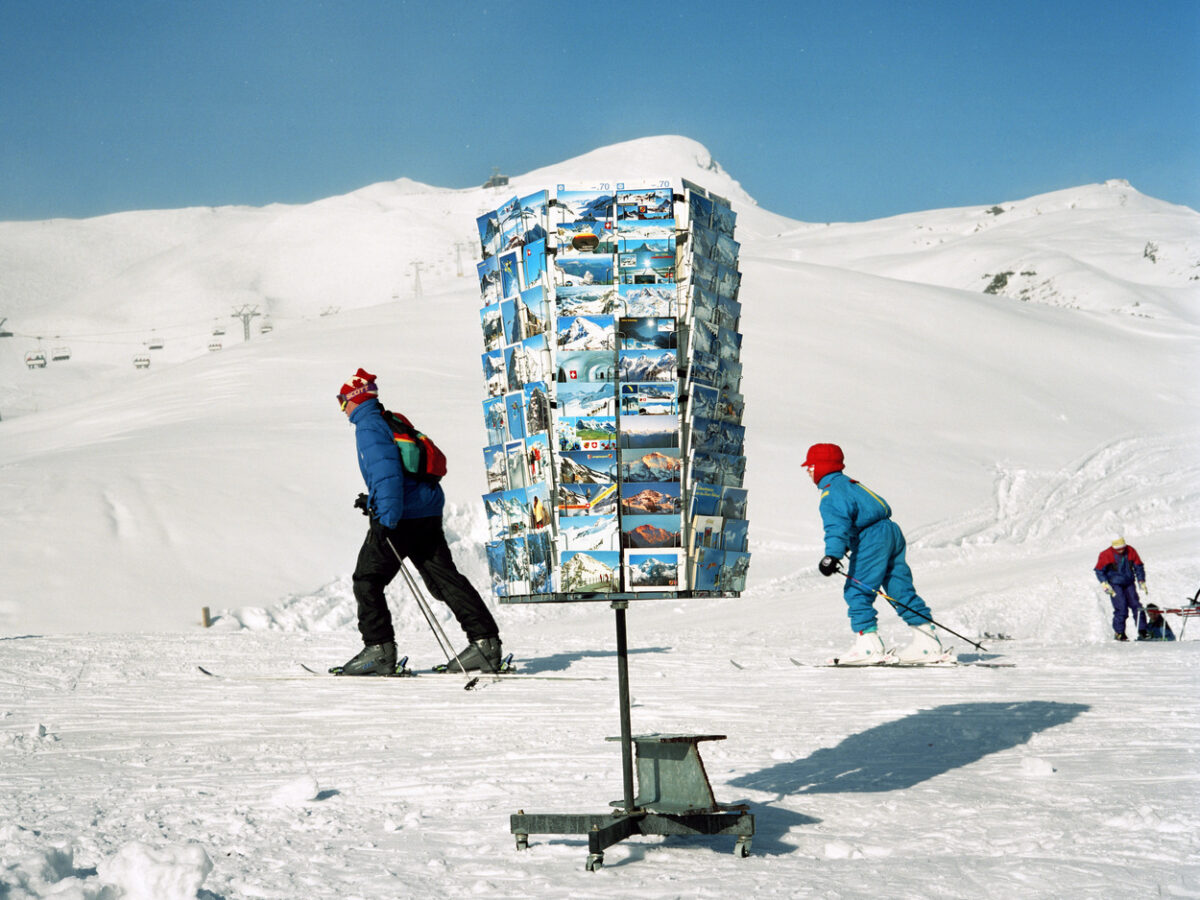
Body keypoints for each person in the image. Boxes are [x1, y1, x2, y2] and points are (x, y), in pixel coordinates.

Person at [337, 368, 503, 675]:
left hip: (400, 518)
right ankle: (486, 644)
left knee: (367, 580)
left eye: (341, 400)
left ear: (354, 399)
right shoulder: (392, 419)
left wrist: (385, 516)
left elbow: (388, 473)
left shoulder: (369, 426)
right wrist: (372, 500)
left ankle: (379, 650)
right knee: (445, 580)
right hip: (425, 511)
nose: (342, 408)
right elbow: (401, 473)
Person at [803, 443, 944, 665]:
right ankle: (927, 643)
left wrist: (832, 556)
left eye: (810, 466)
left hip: (872, 537)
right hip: (890, 532)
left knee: (857, 590)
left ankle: (868, 647)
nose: (808, 472)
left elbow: (836, 526)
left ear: (820, 466)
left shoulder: (831, 491)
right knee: (899, 587)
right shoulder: (850, 484)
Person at [1093, 537, 1148, 641]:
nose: (1121, 550)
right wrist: (1105, 583)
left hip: (1129, 582)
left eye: (1122, 547)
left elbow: (1138, 566)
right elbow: (1099, 570)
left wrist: (1141, 580)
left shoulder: (1130, 550)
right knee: (1121, 608)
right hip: (1115, 584)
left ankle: (1143, 631)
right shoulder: (1106, 554)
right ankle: (1119, 633)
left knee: (1137, 606)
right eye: (1118, 549)